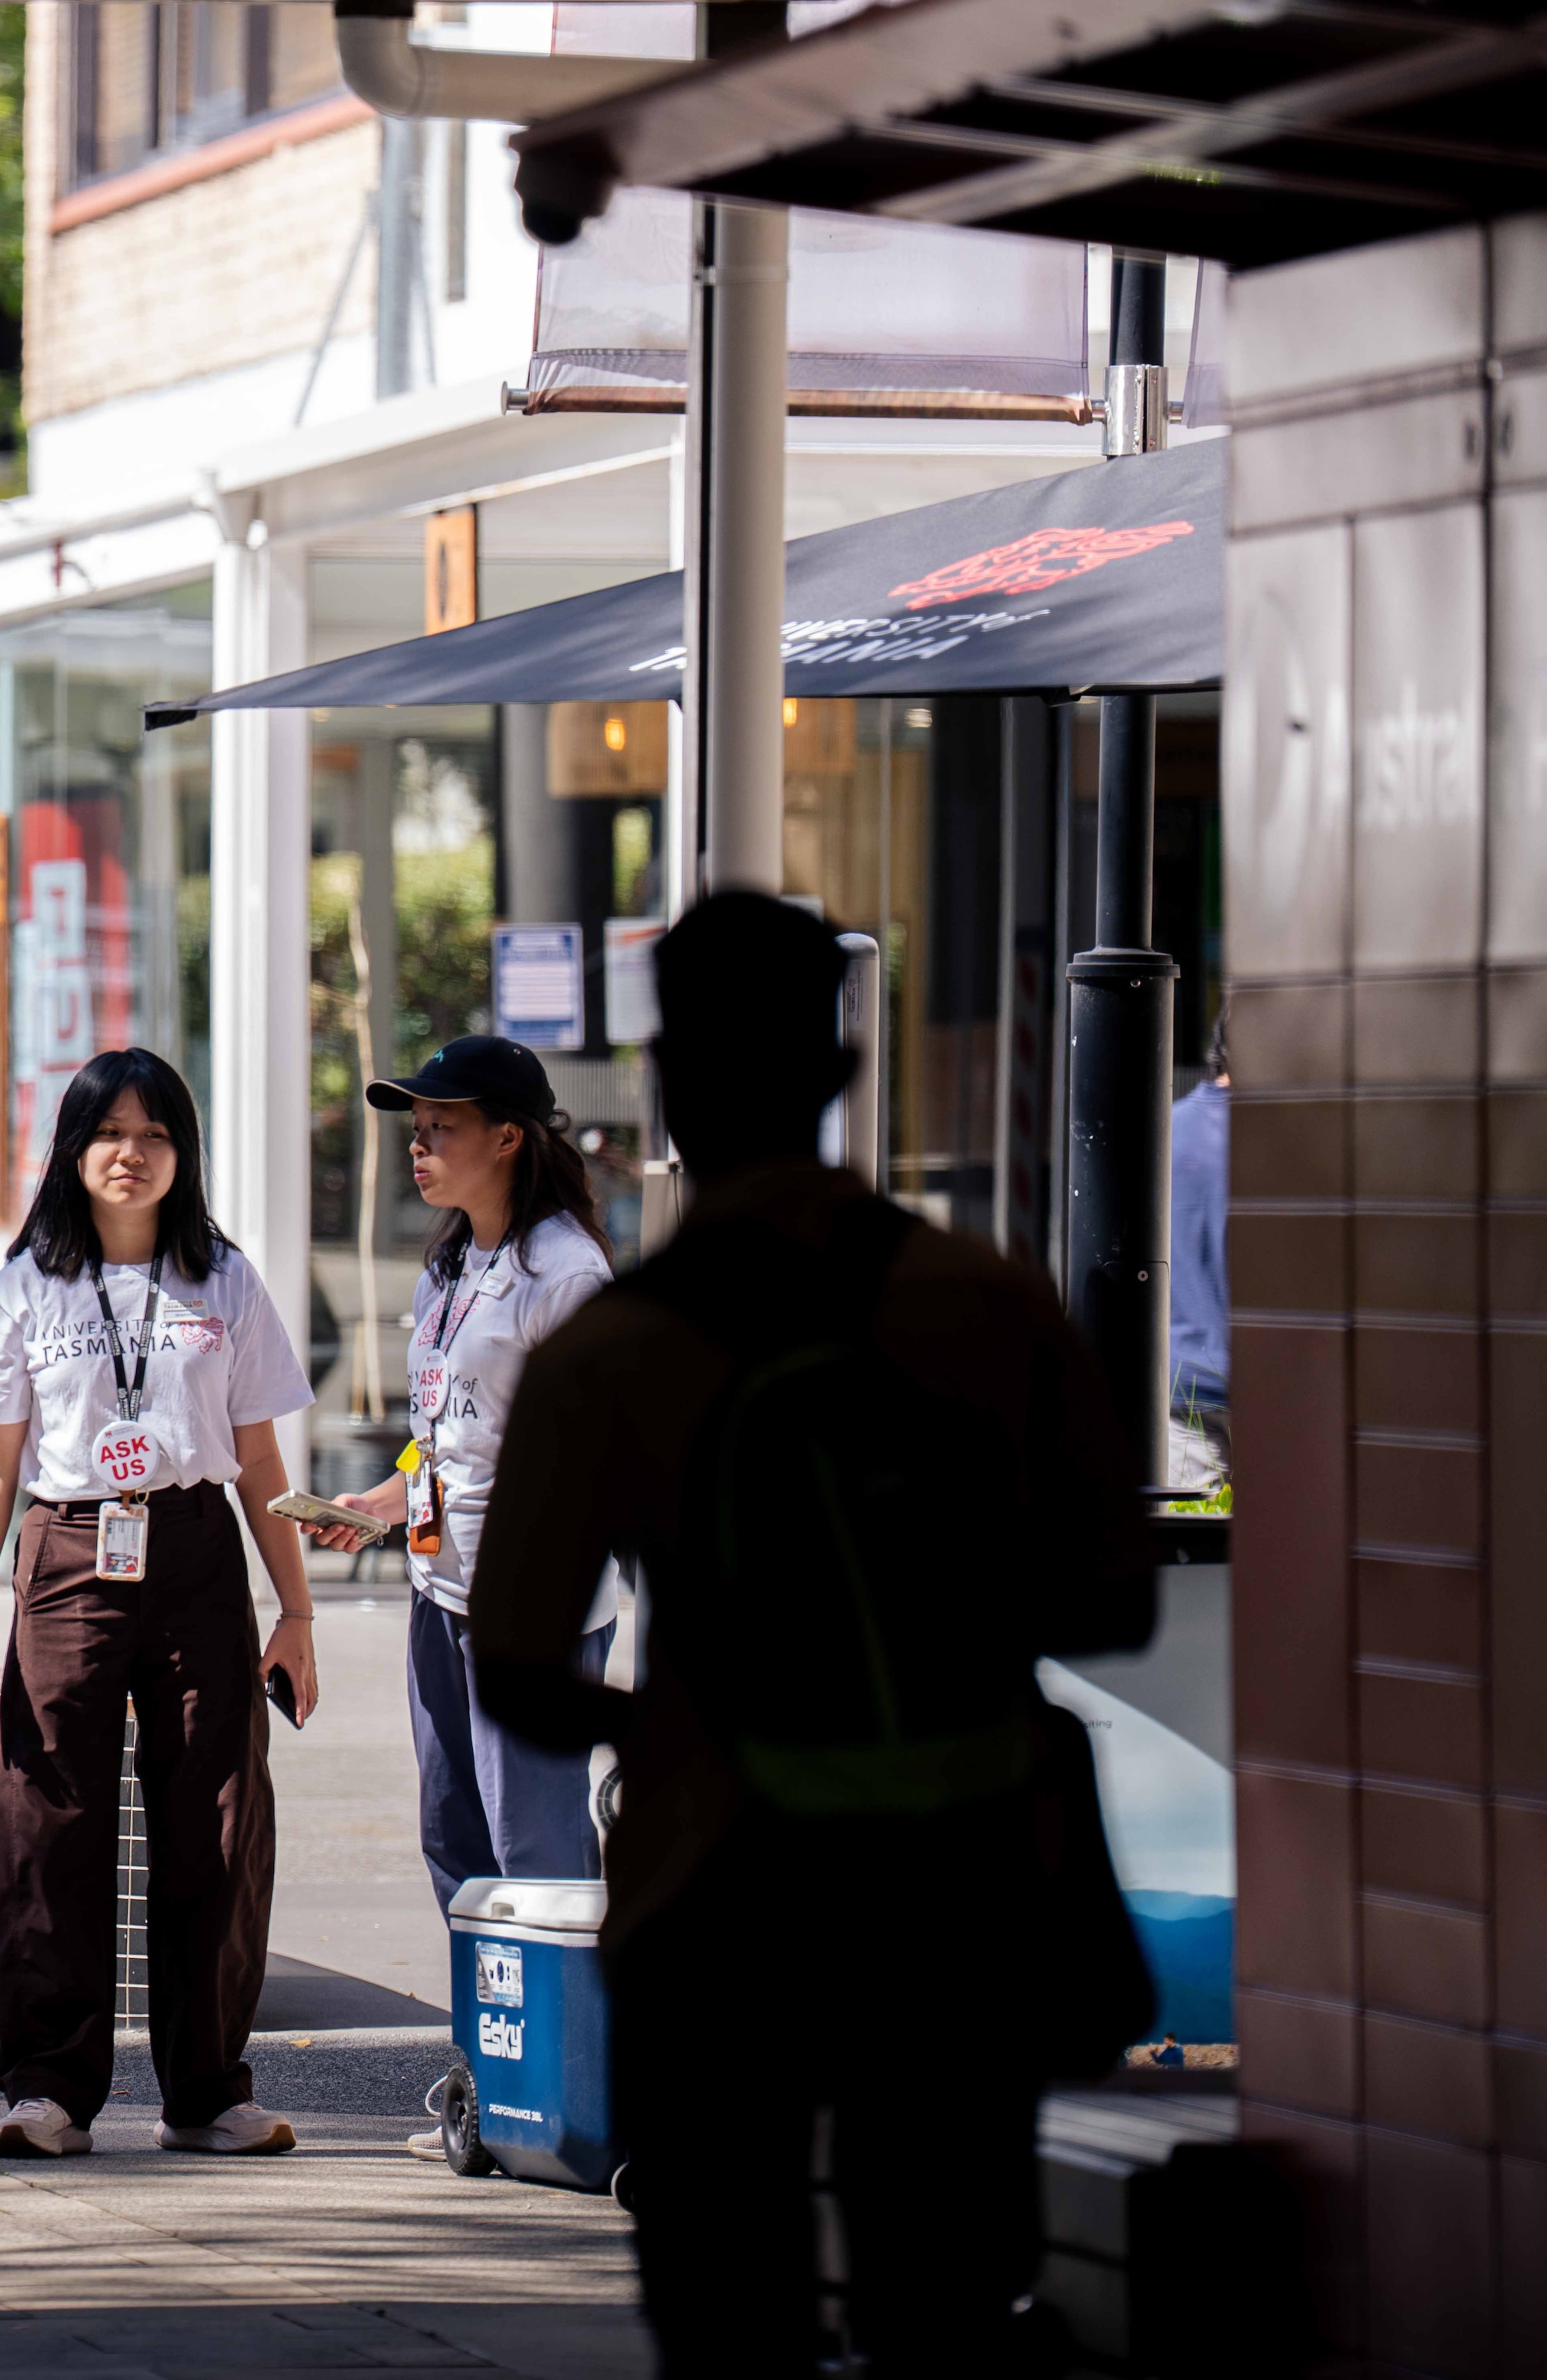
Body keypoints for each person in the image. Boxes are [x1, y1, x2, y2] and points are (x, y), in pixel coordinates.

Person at [471, 892, 1158, 2377]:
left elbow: (517, 1663)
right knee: (944, 2308)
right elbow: (1117, 1595)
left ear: (668, 1085)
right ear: (836, 1077)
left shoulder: (608, 1354)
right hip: (959, 1883)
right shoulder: (986, 1303)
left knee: (731, 2319)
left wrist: (672, 1717)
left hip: (715, 1892)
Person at [0, 1048, 320, 2163]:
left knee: (216, 1815)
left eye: (155, 1134)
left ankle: (207, 2090)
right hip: (66, 1556)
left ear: (181, 1153)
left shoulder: (226, 1279)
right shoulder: (25, 1284)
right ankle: (50, 2088)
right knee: (48, 1815)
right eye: (109, 1132)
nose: (131, 1153)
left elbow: (259, 1458)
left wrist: (294, 1610)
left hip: (197, 1550)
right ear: (71, 1149)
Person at [316, 1034, 619, 1920]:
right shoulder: (448, 1266)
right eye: (415, 1127)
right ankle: (484, 2050)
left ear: (507, 1138)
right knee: (454, 1841)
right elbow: (443, 1434)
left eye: (440, 1127)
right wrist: (383, 1502)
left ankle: (561, 2059)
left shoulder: (566, 1275)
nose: (417, 1146)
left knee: (537, 1853)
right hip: (436, 1587)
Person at [1168, 1011, 1230, 1492]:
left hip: (1179, 1402)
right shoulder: (1292, 1142)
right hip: (1281, 1401)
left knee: (1191, 1558)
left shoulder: (1162, 1133)